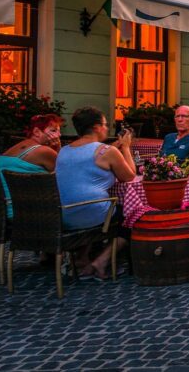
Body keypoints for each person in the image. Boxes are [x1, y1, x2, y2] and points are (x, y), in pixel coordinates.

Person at [55, 106, 136, 280]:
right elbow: (129, 176)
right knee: (134, 216)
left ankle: (82, 259)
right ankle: (101, 261)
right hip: (91, 213)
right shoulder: (106, 151)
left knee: (103, 206)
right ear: (97, 127)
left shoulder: (63, 150)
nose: (108, 128)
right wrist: (126, 148)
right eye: (106, 125)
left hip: (63, 214)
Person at [0, 113, 62, 217]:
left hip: (2, 211)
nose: (59, 135)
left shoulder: (14, 147)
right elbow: (63, 176)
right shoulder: (43, 151)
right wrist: (58, 148)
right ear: (36, 132)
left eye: (59, 131)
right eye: (53, 131)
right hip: (28, 213)